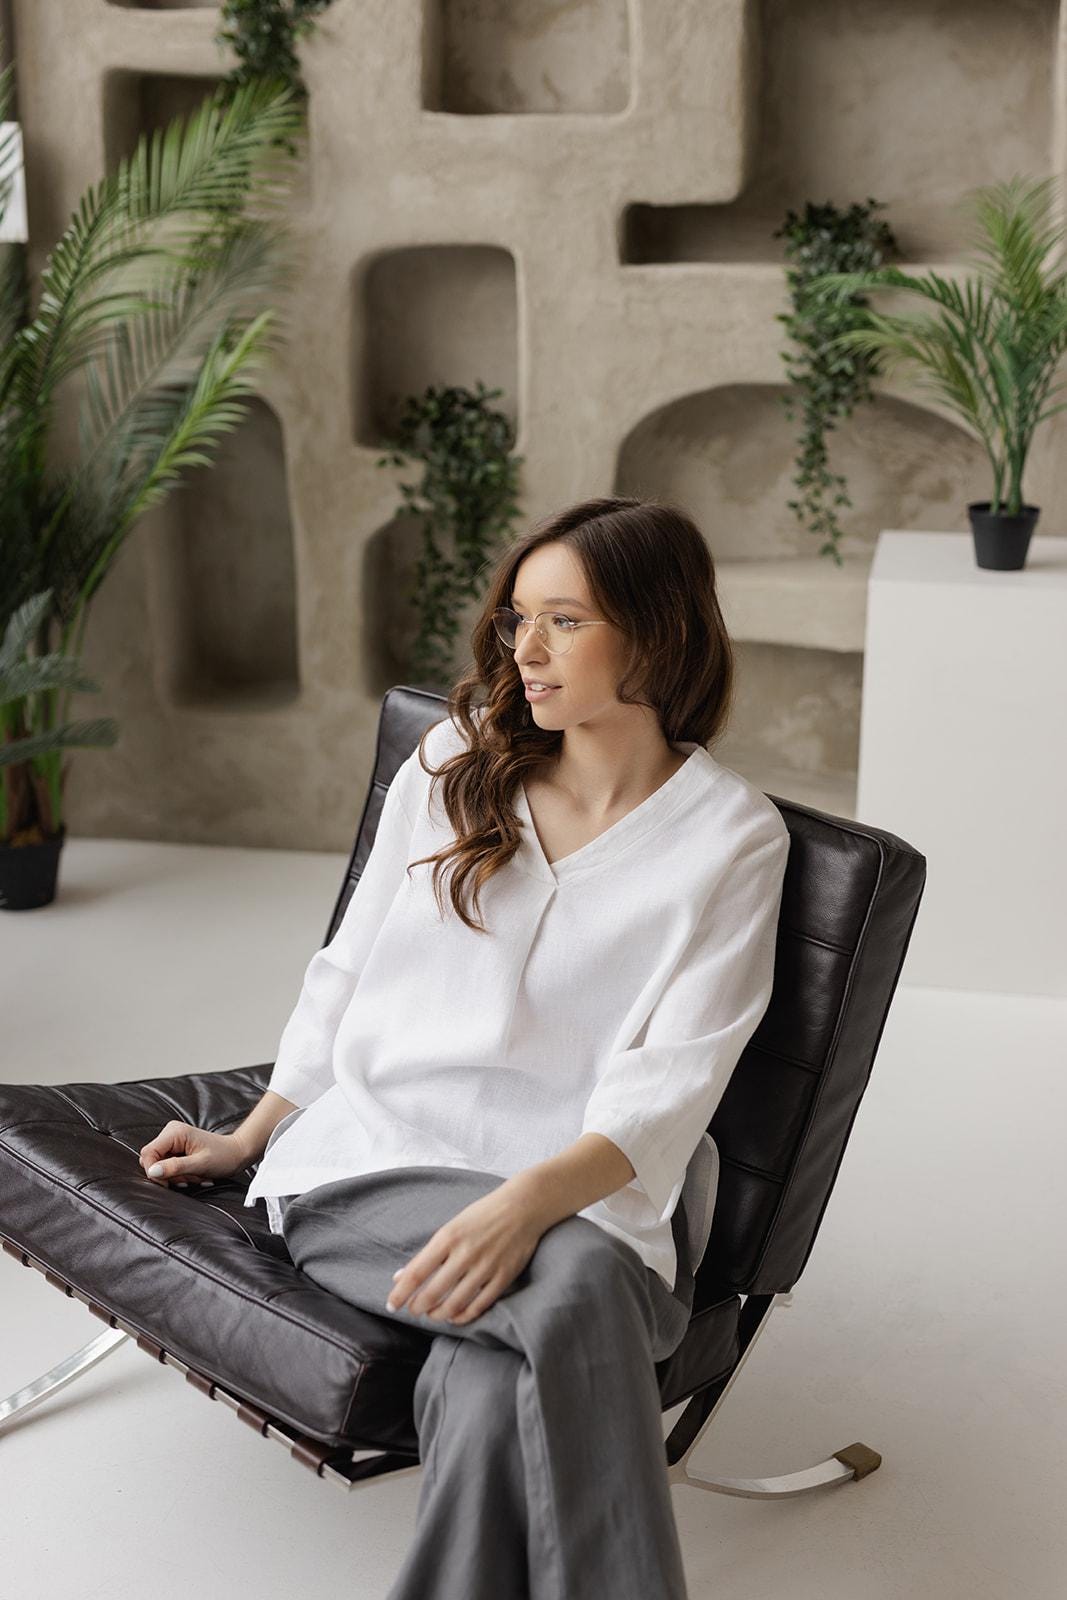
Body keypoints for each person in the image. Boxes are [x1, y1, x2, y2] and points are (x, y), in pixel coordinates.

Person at [139, 494, 791, 1600]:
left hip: (583, 1186)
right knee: (578, 1278)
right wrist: (252, 1133)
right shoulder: (455, 760)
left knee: (494, 1382)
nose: (522, 650)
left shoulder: (731, 838)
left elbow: (673, 1081)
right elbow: (348, 967)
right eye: (514, 620)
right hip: (375, 1164)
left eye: (565, 622)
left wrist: (524, 1200)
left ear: (658, 630)